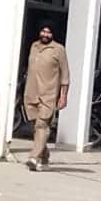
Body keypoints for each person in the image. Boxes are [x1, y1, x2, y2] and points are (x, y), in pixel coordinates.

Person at [22, 23, 69, 171]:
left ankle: (33, 157)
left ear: (53, 34)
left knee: (41, 126)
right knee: (36, 129)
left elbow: (65, 76)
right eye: (43, 31)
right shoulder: (34, 46)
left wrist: (63, 97)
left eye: (48, 32)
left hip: (48, 95)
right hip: (31, 93)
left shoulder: (59, 49)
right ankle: (44, 157)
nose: (45, 35)